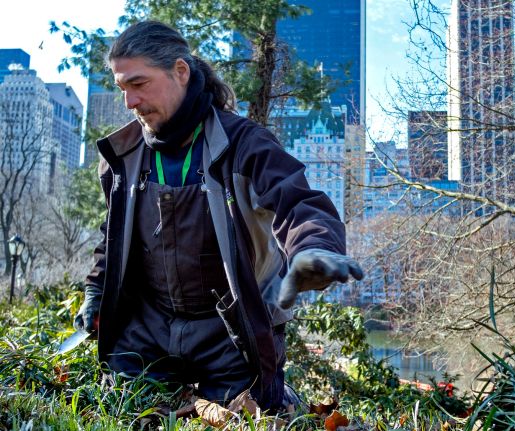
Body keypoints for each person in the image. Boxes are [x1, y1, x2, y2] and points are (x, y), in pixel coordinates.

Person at [74, 20, 363, 411]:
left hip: (231, 331)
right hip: (149, 327)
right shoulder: (122, 160)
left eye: (139, 85)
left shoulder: (245, 144)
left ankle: (280, 394)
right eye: (123, 88)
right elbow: (113, 236)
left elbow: (299, 202)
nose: (129, 102)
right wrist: (95, 293)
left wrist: (314, 248)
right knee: (125, 409)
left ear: (180, 71)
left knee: (249, 412)